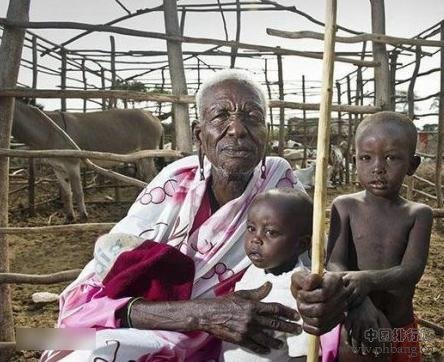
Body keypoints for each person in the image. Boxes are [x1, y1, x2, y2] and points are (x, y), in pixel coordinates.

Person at [41, 69, 308, 362]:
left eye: (252, 117)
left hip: (235, 344)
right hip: (149, 330)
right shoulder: (173, 183)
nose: (237, 129)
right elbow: (95, 295)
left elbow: (311, 268)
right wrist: (200, 314)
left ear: (266, 133)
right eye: (220, 116)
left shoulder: (280, 187)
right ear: (198, 134)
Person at [326, 111, 433, 361]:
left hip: (401, 327)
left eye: (391, 158)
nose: (378, 168)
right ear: (355, 160)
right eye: (366, 157)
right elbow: (334, 262)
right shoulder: (344, 206)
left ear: (413, 165)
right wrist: (359, 301)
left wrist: (368, 280)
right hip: (356, 325)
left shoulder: (418, 214)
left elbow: (412, 270)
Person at [221, 188, 313, 362]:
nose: (256, 239)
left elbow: (302, 354)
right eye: (251, 228)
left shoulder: (301, 291)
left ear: (301, 244)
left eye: (271, 232)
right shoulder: (253, 270)